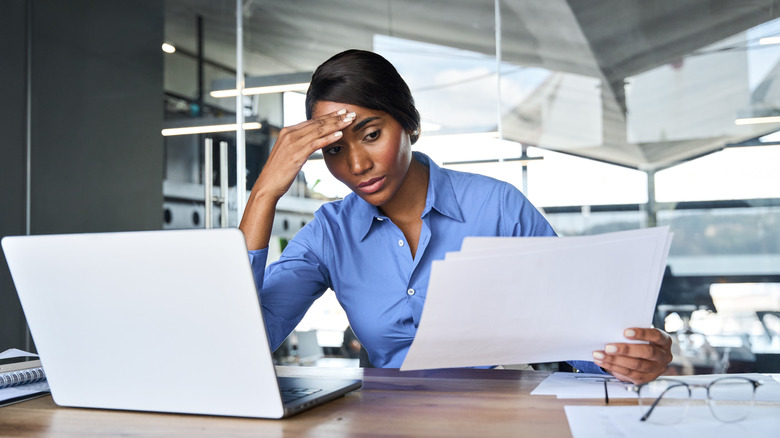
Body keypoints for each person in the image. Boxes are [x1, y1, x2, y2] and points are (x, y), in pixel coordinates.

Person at [239, 49, 672, 385]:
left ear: (410, 125)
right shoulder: (329, 234)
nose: (356, 164)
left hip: (493, 418)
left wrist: (630, 358)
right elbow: (248, 340)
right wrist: (263, 195)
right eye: (334, 149)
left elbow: (580, 332)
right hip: (384, 422)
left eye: (371, 135)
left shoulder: (497, 208)